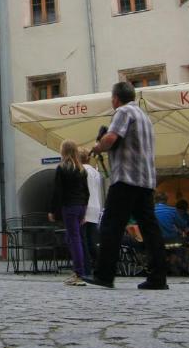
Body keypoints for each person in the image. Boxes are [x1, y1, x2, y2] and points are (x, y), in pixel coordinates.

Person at [83, 81, 168, 290]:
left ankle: (104, 274)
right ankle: (158, 277)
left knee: (111, 226)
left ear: (115, 98)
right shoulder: (145, 117)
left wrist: (97, 146)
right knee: (150, 229)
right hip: (146, 181)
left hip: (126, 179)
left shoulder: (122, 112)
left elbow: (111, 138)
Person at [49, 140, 90, 287]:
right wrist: (84, 211)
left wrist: (53, 210)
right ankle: (77, 271)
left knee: (74, 239)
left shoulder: (62, 168)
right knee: (72, 237)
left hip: (70, 207)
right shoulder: (81, 169)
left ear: (63, 151)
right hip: (80, 206)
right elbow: (86, 192)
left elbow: (57, 191)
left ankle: (79, 273)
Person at [154, 193, 189, 277]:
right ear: (166, 201)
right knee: (179, 248)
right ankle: (176, 266)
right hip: (172, 240)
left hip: (157, 240)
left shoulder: (151, 210)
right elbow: (182, 224)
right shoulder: (172, 210)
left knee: (163, 248)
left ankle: (164, 265)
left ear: (155, 200)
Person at [80, 149, 104, 276]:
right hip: (95, 207)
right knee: (92, 241)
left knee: (82, 240)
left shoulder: (81, 170)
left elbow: (84, 191)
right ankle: (100, 267)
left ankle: (86, 269)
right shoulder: (95, 172)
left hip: (85, 207)